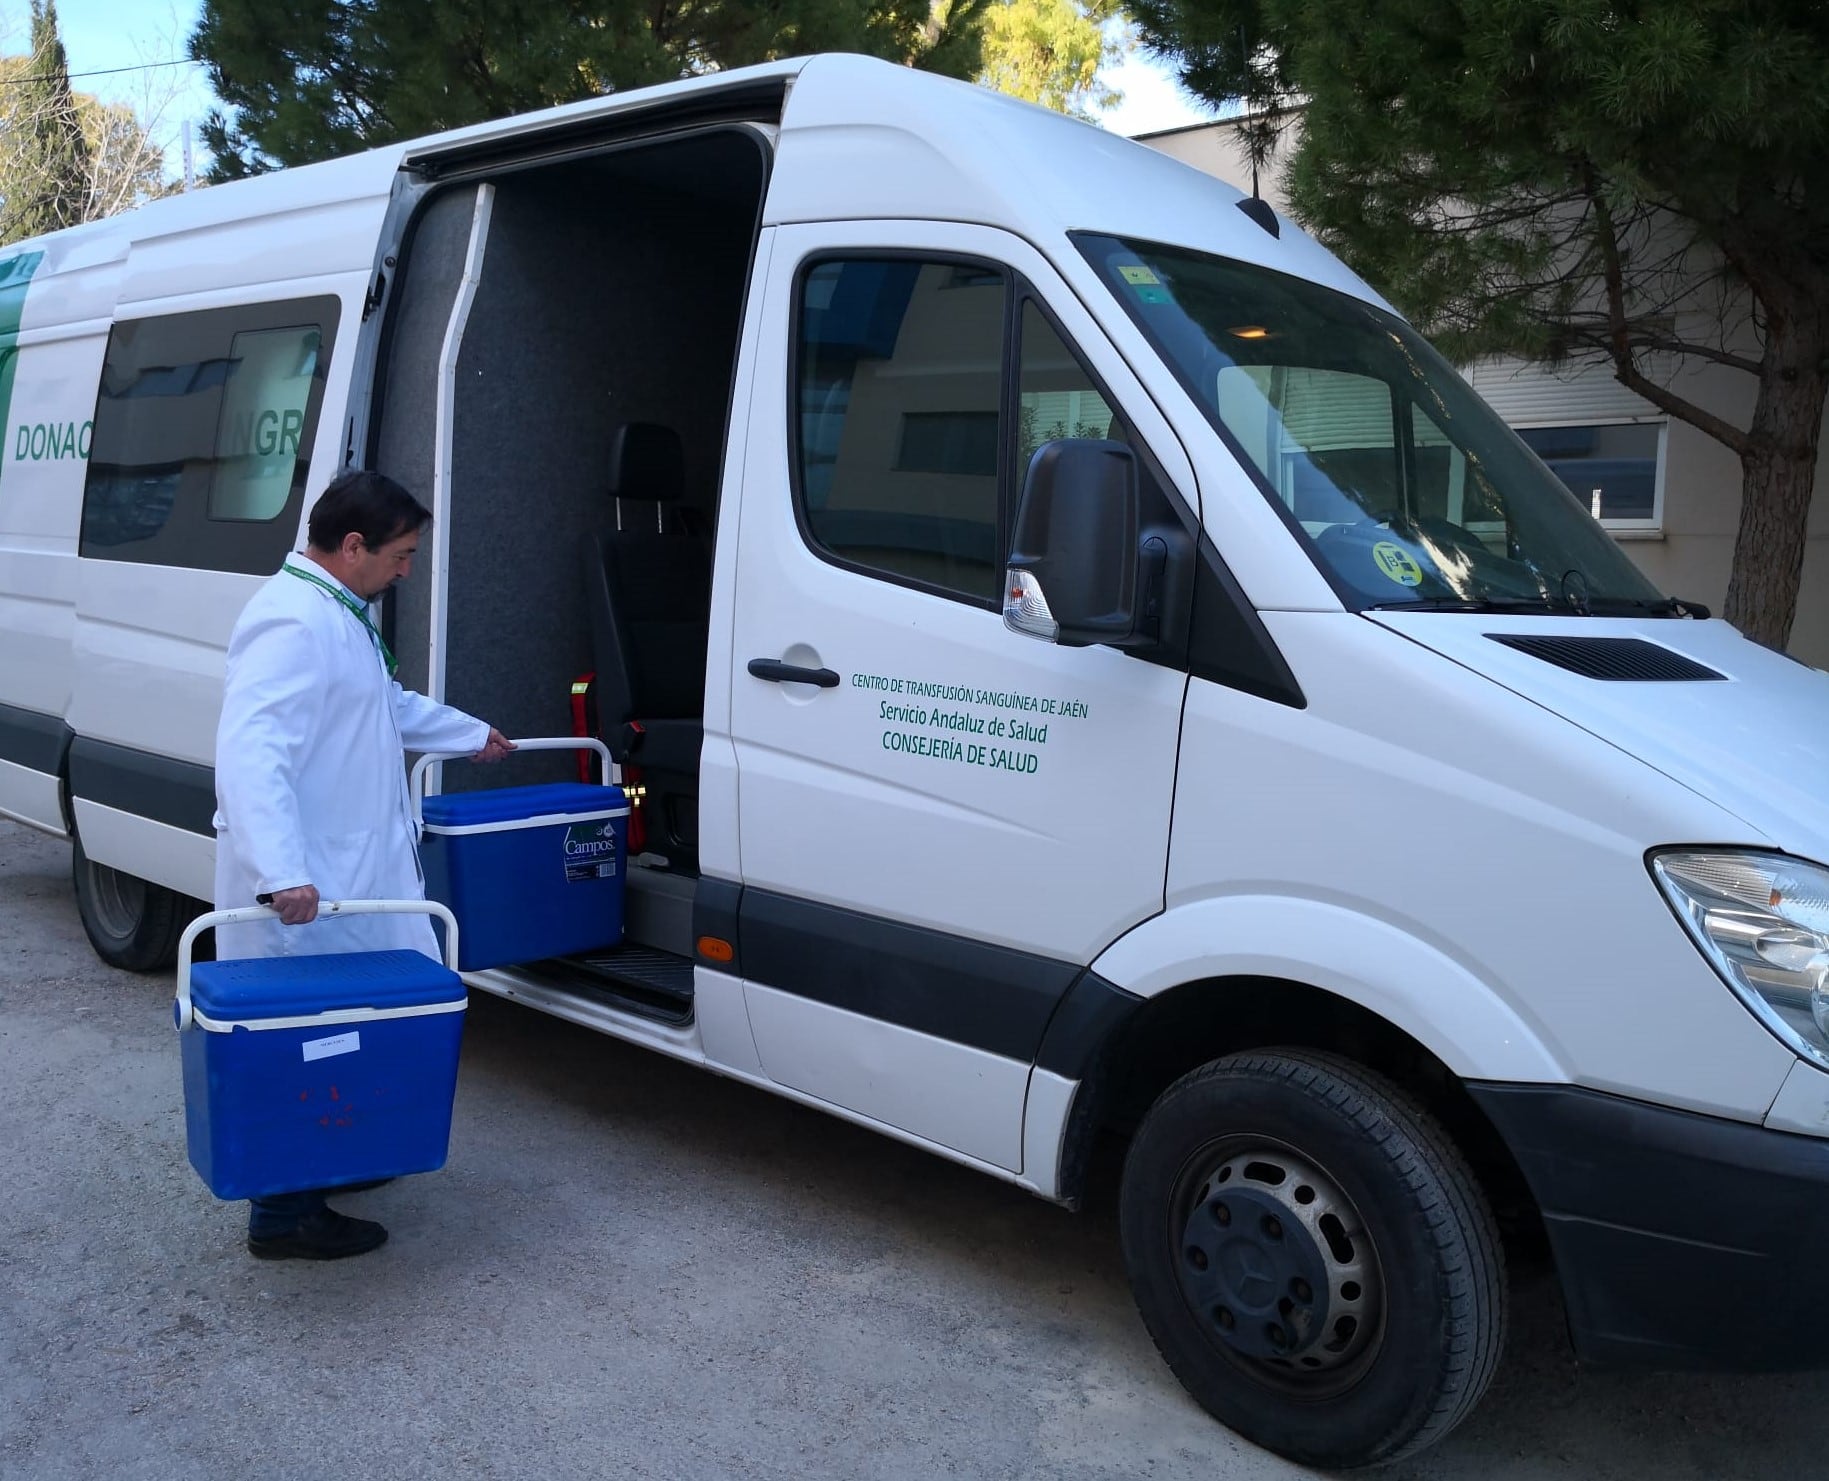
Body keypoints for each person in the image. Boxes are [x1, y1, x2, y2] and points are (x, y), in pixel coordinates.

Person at [213, 469, 514, 1261]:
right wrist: (281, 871)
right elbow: (252, 755)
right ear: (354, 546)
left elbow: (383, 705)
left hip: (347, 879)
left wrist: (467, 732)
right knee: (303, 1038)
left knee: (345, 1030)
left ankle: (329, 1164)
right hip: (308, 892)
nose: (407, 569)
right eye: (402, 554)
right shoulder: (290, 621)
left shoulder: (333, 613)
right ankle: (282, 1214)